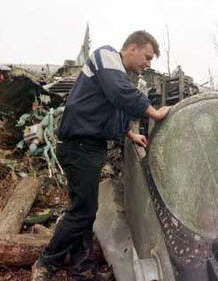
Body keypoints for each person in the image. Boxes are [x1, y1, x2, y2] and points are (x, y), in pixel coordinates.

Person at [31, 30, 171, 281]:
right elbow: (121, 94)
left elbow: (116, 110)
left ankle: (81, 268)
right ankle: (46, 262)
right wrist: (156, 114)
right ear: (131, 48)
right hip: (79, 144)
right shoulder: (106, 56)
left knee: (85, 207)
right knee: (84, 210)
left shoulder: (120, 76)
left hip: (91, 146)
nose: (148, 63)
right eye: (147, 57)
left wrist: (131, 135)